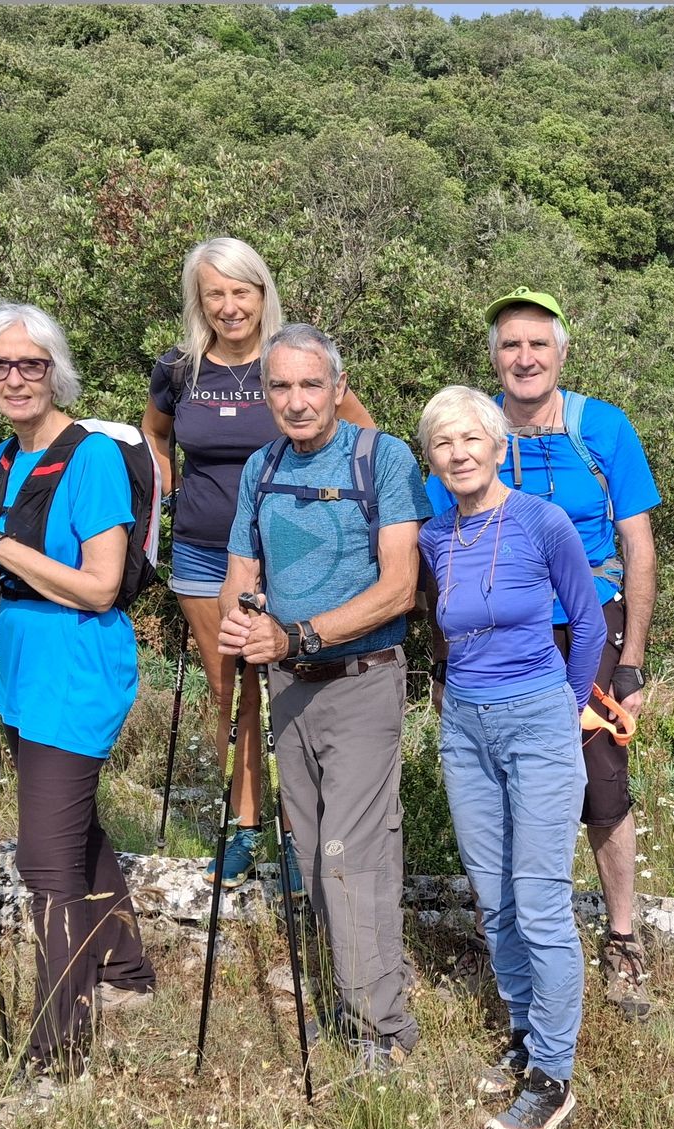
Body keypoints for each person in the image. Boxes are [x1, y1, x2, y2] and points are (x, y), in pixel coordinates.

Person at [0, 301, 155, 1086]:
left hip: (78, 667)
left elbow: (99, 586)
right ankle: (126, 970)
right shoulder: (4, 457)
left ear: (55, 371)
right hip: (25, 670)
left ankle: (59, 1055)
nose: (15, 379)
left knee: (44, 862)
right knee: (72, 826)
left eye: (31, 364)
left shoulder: (89, 458)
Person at [426, 287, 661, 1020]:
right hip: (499, 634)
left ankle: (621, 935)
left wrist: (631, 662)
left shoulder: (603, 428)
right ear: (494, 357)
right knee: (498, 790)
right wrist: (443, 664)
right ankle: (518, 941)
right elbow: (441, 557)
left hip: (587, 624)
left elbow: (639, 546)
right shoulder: (471, 434)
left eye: (537, 344)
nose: (524, 358)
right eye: (510, 345)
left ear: (561, 352)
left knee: (601, 779)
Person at [215, 322, 427, 1067]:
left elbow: (398, 588)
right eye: (281, 386)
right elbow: (241, 571)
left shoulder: (384, 458)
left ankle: (380, 1029)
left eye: (312, 385)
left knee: (350, 854)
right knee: (310, 852)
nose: (297, 401)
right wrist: (242, 622)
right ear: (265, 392)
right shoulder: (263, 465)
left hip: (362, 681)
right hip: (287, 688)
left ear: (339, 388)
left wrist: (296, 635)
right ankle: (357, 996)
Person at [139, 237, 372, 890]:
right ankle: (245, 826)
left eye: (241, 290)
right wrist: (169, 489)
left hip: (290, 557)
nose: (229, 305)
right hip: (203, 552)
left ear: (262, 293)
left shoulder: (291, 362)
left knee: (291, 691)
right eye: (214, 293)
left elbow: (363, 438)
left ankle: (299, 834)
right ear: (199, 300)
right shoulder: (179, 369)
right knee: (230, 692)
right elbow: (155, 432)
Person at [418, 385, 604, 1129]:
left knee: (540, 903)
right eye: (442, 443)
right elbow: (436, 623)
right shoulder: (434, 535)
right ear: (431, 459)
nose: (458, 453)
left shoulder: (541, 521)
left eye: (471, 438)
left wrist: (565, 706)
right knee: (494, 899)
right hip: (464, 727)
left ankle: (553, 1077)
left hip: (538, 719)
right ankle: (526, 1034)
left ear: (499, 446)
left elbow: (587, 622)